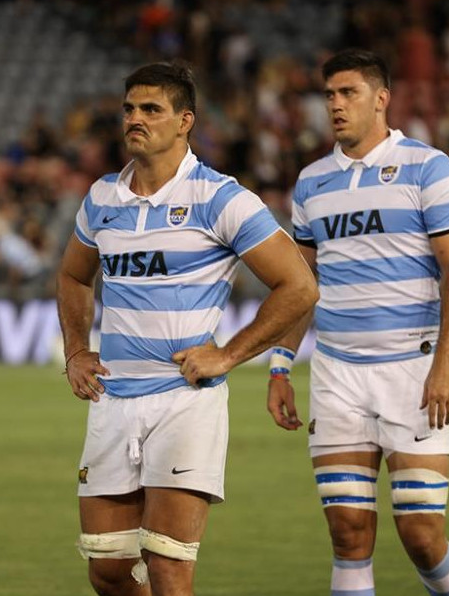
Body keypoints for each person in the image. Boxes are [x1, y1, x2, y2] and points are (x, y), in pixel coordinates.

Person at [57, 62, 317, 596]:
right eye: (129, 108)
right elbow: (72, 276)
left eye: (151, 109)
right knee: (107, 569)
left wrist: (227, 354)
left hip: (183, 401)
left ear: (185, 121)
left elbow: (299, 286)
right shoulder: (102, 197)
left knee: (169, 568)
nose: (135, 118)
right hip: (112, 400)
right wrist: (77, 351)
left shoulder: (220, 197)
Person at [267, 49, 449, 596]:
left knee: (422, 535)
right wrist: (281, 364)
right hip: (338, 373)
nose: (335, 105)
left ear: (382, 98)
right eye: (329, 95)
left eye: (348, 93)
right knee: (348, 530)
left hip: (413, 367)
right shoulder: (312, 183)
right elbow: (300, 286)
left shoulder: (430, 168)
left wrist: (446, 363)